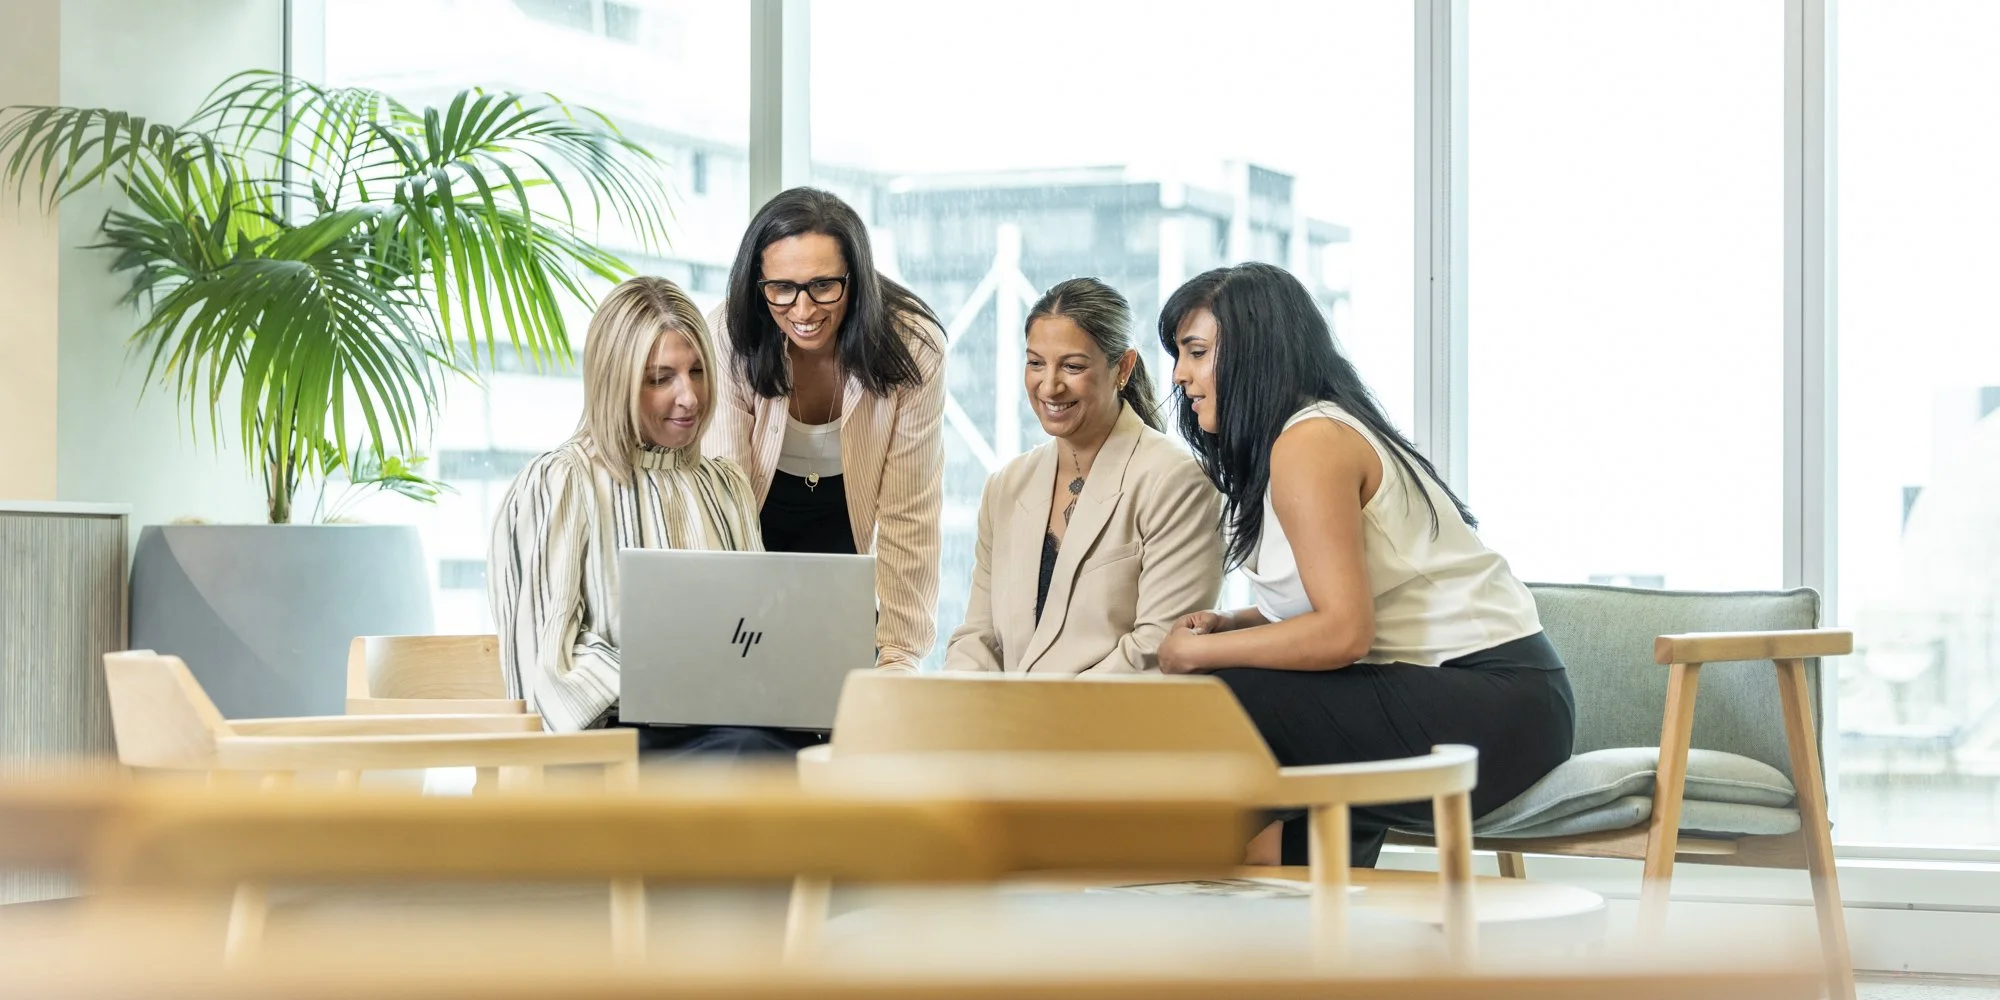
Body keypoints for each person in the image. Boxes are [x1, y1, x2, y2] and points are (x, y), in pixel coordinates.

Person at [1152, 262, 1575, 867]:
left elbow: (1344, 634)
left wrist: (1198, 654)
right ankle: (1300, 922)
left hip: (1499, 706)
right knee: (1260, 700)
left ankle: (1238, 900)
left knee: (1219, 694)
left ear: (1255, 352)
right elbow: (1339, 606)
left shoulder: (1311, 442)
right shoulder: (1303, 435)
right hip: (1485, 696)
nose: (1181, 375)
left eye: (1195, 352)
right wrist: (1238, 625)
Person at [488, 275, 811, 756]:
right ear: (615, 383)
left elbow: (752, 638)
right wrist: (675, 679)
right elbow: (547, 669)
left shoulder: (725, 486)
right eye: (662, 378)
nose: (690, 398)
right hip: (611, 745)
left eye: (698, 371)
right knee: (754, 755)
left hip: (729, 726)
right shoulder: (561, 482)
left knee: (834, 747)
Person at [704, 187, 947, 670]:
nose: (803, 310)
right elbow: (724, 507)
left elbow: (909, 514)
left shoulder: (913, 346)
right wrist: (729, 636)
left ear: (855, 278)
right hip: (753, 527)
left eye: (823, 286)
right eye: (782, 288)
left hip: (846, 537)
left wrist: (899, 655)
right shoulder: (730, 337)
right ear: (758, 283)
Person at [945, 278, 1222, 674]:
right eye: (1035, 363)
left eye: (1072, 366)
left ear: (1122, 368)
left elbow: (1155, 649)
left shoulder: (1177, 481)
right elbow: (978, 636)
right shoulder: (1006, 485)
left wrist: (1034, 722)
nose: (1050, 385)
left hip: (1107, 728)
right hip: (1002, 727)